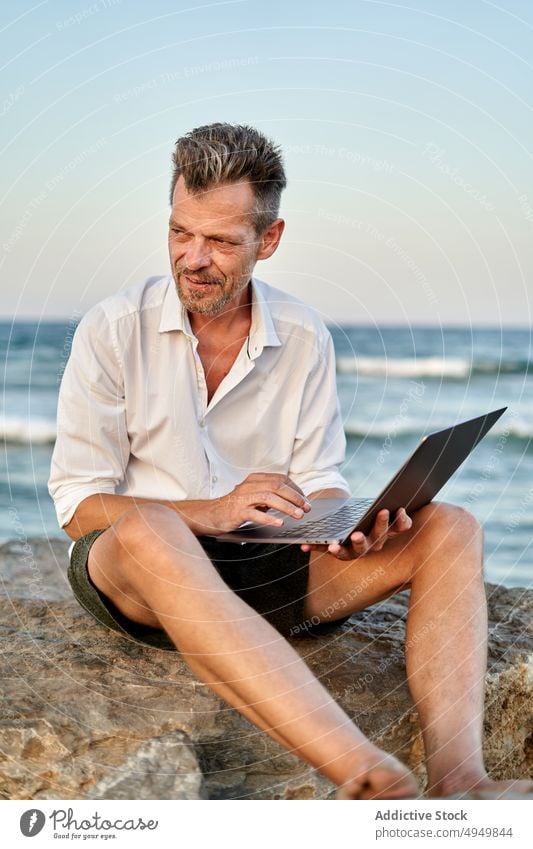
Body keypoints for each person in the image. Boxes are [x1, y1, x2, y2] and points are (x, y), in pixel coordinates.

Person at [49, 123, 532, 800]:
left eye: (219, 241)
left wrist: (347, 523)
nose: (193, 257)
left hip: (270, 567)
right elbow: (78, 507)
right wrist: (208, 512)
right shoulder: (110, 328)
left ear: (268, 241)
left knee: (451, 524)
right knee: (153, 530)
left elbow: (320, 477)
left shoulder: (302, 334)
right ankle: (365, 774)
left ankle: (460, 780)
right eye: (180, 232)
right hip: (139, 574)